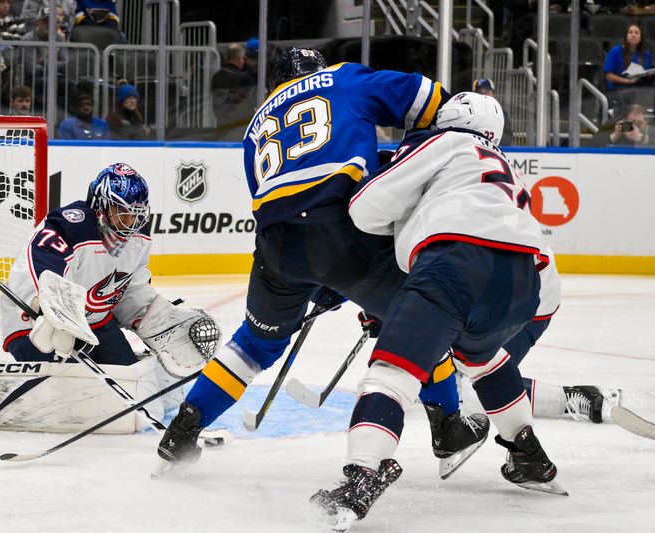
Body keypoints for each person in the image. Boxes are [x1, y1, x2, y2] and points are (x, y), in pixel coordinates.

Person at [156, 48, 490, 478]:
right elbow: (430, 100)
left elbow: (281, 196)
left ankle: (182, 430)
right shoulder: (344, 78)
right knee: (422, 319)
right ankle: (447, 428)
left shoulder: (256, 124)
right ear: (320, 69)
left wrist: (318, 278)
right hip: (343, 228)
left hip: (277, 247)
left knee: (255, 345)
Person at [315, 92, 565, 529]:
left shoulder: (445, 142)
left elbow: (365, 207)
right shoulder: (506, 166)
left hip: (454, 264)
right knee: (484, 358)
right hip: (523, 281)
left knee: (390, 375)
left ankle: (362, 476)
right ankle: (528, 454)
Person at [0, 162, 218, 376]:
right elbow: (40, 265)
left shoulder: (138, 235)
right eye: (121, 212)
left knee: (132, 378)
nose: (129, 222)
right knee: (68, 386)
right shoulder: (72, 224)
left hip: (93, 322)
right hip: (34, 323)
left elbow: (130, 288)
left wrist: (152, 316)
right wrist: (53, 311)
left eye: (135, 214)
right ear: (100, 207)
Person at [211, 43, 257, 140]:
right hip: (239, 126)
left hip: (221, 122)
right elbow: (249, 103)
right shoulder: (244, 78)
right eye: (243, 58)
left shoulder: (216, 76)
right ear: (240, 59)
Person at [472, 78, 514, 146]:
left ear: (493, 94)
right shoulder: (468, 111)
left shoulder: (501, 113)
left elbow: (507, 137)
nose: (484, 95)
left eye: (487, 92)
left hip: (494, 151)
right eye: (480, 92)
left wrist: (492, 146)